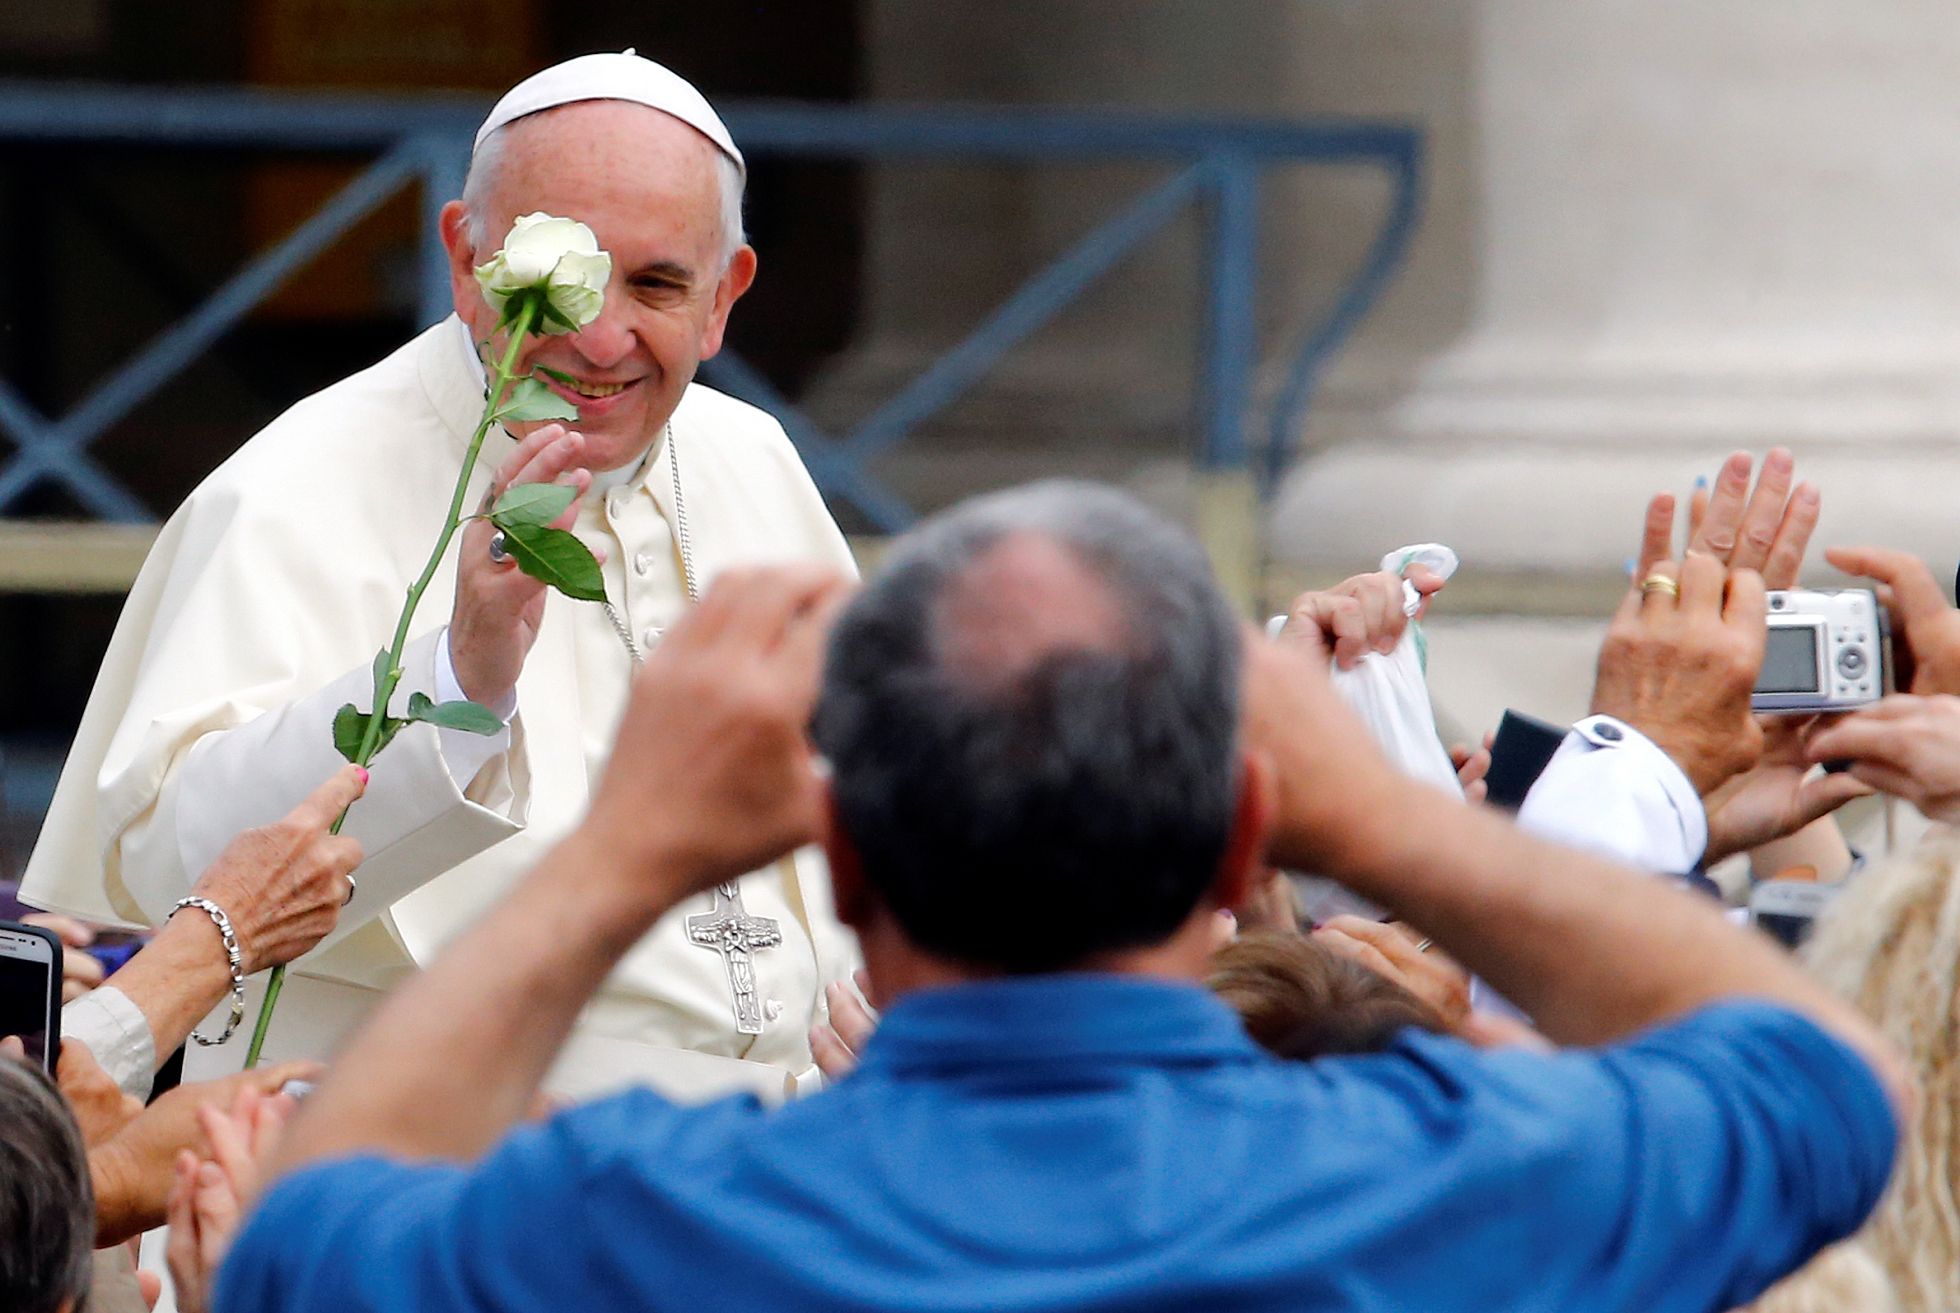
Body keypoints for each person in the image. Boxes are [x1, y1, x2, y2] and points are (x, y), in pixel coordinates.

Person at [201, 482, 1903, 1313]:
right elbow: (1828, 1082)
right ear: (1244, 843)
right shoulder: (1451, 1181)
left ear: (841, 860)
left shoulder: (643, 1225)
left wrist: (623, 851)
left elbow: (304, 1233)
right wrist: (1380, 815)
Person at [20, 52, 858, 1101]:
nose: (602, 338)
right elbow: (165, 863)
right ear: (465, 259)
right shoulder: (290, 486)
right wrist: (458, 681)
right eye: (556, 283)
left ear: (723, 296)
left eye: (656, 284)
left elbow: (876, 796)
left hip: (777, 1143)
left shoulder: (754, 461)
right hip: (436, 1145)